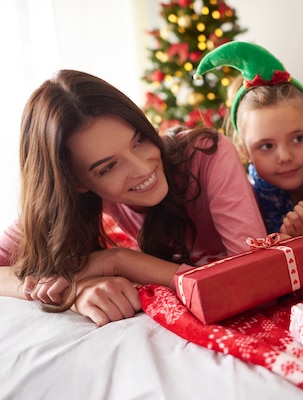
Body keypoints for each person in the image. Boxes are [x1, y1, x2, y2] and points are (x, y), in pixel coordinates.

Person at [0, 69, 267, 326]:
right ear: (76, 183)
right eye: (108, 167)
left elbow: (256, 282)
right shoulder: (73, 199)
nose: (142, 168)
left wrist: (117, 261)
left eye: (139, 141)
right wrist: (71, 292)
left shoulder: (209, 153)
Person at [194, 41, 303, 237]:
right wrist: (289, 238)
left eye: (297, 139)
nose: (285, 156)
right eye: (266, 146)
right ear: (245, 152)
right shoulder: (251, 195)